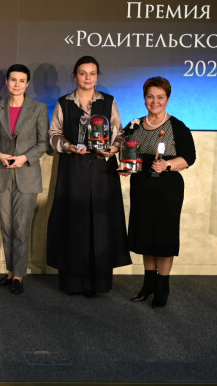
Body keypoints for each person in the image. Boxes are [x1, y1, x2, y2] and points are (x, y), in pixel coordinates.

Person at [46, 55, 130, 297]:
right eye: (82, 73)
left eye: (92, 73)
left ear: (97, 76)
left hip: (103, 170)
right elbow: (54, 135)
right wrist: (69, 146)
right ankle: (73, 283)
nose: (87, 78)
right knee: (74, 222)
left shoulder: (108, 101)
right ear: (75, 76)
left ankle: (98, 283)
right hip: (73, 169)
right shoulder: (64, 102)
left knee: (102, 224)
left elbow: (120, 134)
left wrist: (113, 149)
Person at [123, 76, 195, 307]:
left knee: (163, 238)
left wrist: (167, 165)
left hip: (167, 190)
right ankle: (148, 285)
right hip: (141, 189)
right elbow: (124, 151)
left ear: (168, 99)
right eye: (150, 96)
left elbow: (189, 158)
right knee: (146, 236)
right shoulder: (134, 125)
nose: (155, 101)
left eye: (160, 97)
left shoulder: (177, 126)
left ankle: (162, 287)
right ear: (144, 98)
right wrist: (125, 167)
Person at [0, 64, 50, 295]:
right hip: (2, 172)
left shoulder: (38, 108)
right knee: (6, 227)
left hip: (27, 174)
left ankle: (19, 275)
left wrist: (24, 158)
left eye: (21, 80)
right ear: (7, 82)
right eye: (13, 80)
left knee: (21, 227)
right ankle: (9, 272)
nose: (17, 84)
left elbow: (43, 143)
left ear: (27, 84)